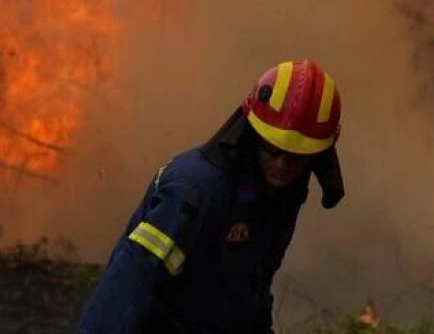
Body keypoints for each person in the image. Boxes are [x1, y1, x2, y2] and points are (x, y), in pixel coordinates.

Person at [77, 59, 346, 334]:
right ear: (251, 135)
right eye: (272, 149)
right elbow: (130, 284)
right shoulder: (195, 191)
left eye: (297, 157)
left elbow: (251, 286)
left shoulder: (283, 194)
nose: (282, 166)